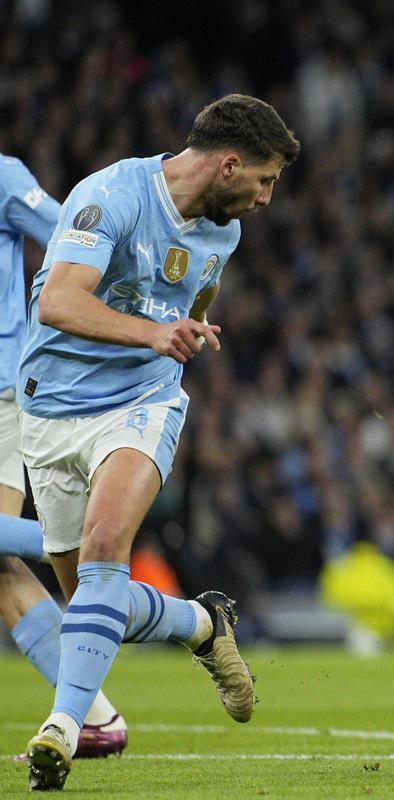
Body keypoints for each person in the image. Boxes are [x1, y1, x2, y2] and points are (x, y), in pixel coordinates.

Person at [18, 94, 301, 791]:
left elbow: (193, 301)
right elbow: (58, 301)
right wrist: (153, 331)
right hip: (52, 407)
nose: (266, 198)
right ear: (229, 165)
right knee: (93, 602)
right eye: (264, 179)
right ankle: (201, 623)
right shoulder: (111, 195)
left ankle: (62, 729)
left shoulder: (224, 231)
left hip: (142, 401)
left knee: (105, 547)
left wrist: (182, 330)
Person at [1, 154, 128, 758]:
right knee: (1, 573)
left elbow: (74, 238)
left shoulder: (3, 176)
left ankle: (101, 562)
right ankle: (96, 718)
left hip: (1, 386)